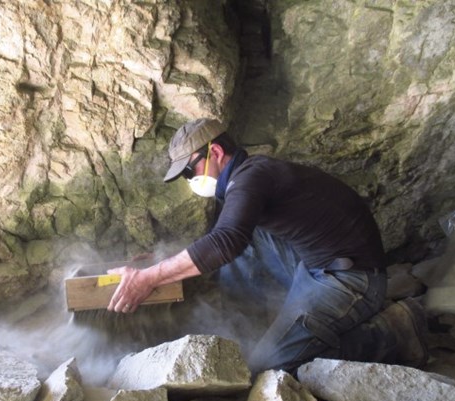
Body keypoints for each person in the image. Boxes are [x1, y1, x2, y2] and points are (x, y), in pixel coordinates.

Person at [107, 118, 428, 374]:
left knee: (269, 367)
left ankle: (391, 333)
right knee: (244, 243)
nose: (190, 180)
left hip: (350, 279)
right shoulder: (248, 178)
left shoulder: (251, 178)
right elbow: (227, 237)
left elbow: (225, 241)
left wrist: (150, 277)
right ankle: (244, 328)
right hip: (313, 263)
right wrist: (164, 261)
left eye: (190, 170)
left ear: (215, 153)